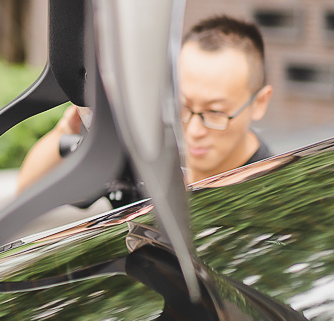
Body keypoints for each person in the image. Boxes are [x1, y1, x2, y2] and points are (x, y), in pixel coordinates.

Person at [17, 15, 274, 198]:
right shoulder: (150, 158)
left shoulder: (274, 194)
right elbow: (27, 190)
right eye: (182, 107)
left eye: (215, 113)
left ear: (260, 102)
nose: (194, 130)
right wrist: (67, 129)